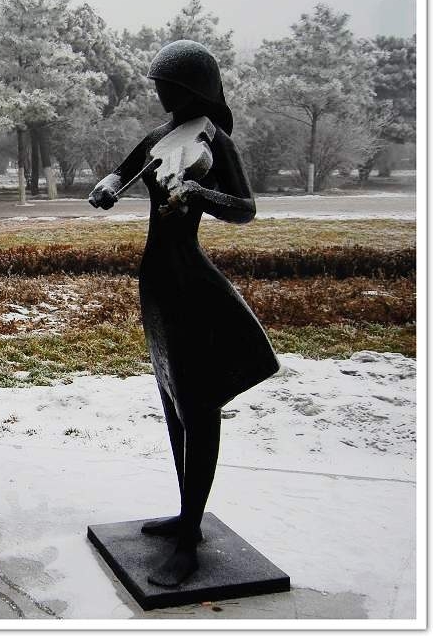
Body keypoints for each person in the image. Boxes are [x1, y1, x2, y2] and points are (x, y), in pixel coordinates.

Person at [88, 40, 280, 588]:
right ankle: (186, 515)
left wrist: (199, 191)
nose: (162, 96)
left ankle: (190, 534)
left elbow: (246, 208)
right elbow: (122, 172)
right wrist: (106, 187)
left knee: (198, 403)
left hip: (191, 281)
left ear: (194, 88)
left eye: (169, 87)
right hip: (157, 281)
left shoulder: (213, 139)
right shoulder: (160, 136)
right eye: (160, 87)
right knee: (173, 399)